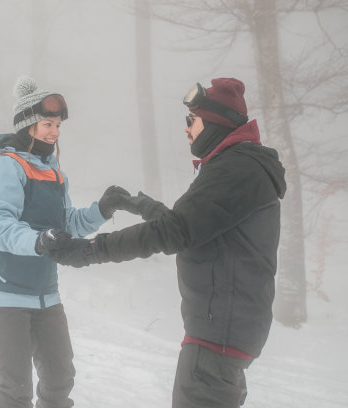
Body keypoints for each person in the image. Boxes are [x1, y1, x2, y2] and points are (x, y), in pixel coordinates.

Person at [38, 78, 287, 407]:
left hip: (216, 340)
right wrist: (143, 206)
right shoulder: (242, 168)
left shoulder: (234, 169)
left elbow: (175, 231)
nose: (186, 130)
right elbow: (193, 227)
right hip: (224, 336)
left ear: (215, 122)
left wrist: (83, 251)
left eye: (191, 121)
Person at [0, 76, 133, 408]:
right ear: (27, 125)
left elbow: (65, 223)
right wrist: (40, 240)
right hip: (2, 293)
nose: (54, 132)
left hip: (44, 293)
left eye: (57, 124)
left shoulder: (53, 172)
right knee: (13, 389)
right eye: (47, 123)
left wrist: (102, 210)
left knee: (60, 380)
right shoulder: (4, 166)